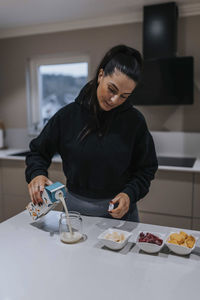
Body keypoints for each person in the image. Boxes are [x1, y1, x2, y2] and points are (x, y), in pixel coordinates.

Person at [25, 44, 158, 222]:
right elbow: (38, 152)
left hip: (120, 215)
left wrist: (129, 194)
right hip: (75, 213)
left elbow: (146, 169)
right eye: (112, 89)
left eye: (124, 96)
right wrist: (37, 174)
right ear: (101, 75)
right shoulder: (67, 116)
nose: (115, 100)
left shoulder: (135, 122)